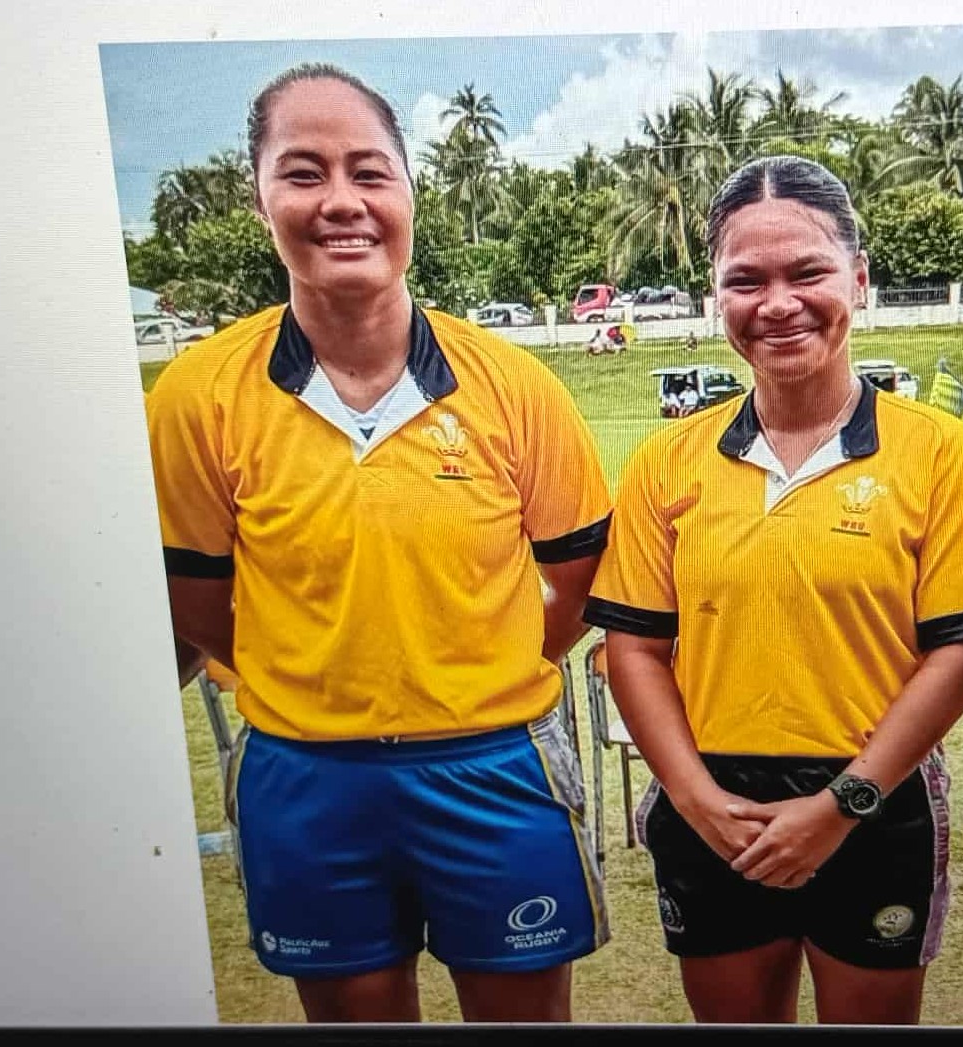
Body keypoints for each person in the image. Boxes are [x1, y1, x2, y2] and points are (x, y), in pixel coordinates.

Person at [144, 63, 612, 1024]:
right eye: (303, 172)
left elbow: (576, 577)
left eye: (369, 172)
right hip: (308, 776)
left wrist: (474, 675)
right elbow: (196, 599)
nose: (340, 202)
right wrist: (314, 676)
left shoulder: (514, 385)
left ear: (409, 192)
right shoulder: (197, 394)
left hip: (494, 766)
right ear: (261, 196)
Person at [584, 155, 963, 1026]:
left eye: (806, 271)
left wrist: (842, 805)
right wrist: (695, 799)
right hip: (713, 804)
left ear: (856, 278)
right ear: (717, 296)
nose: (776, 302)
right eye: (745, 279)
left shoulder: (936, 452)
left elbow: (959, 653)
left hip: (873, 803)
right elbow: (633, 647)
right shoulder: (667, 460)